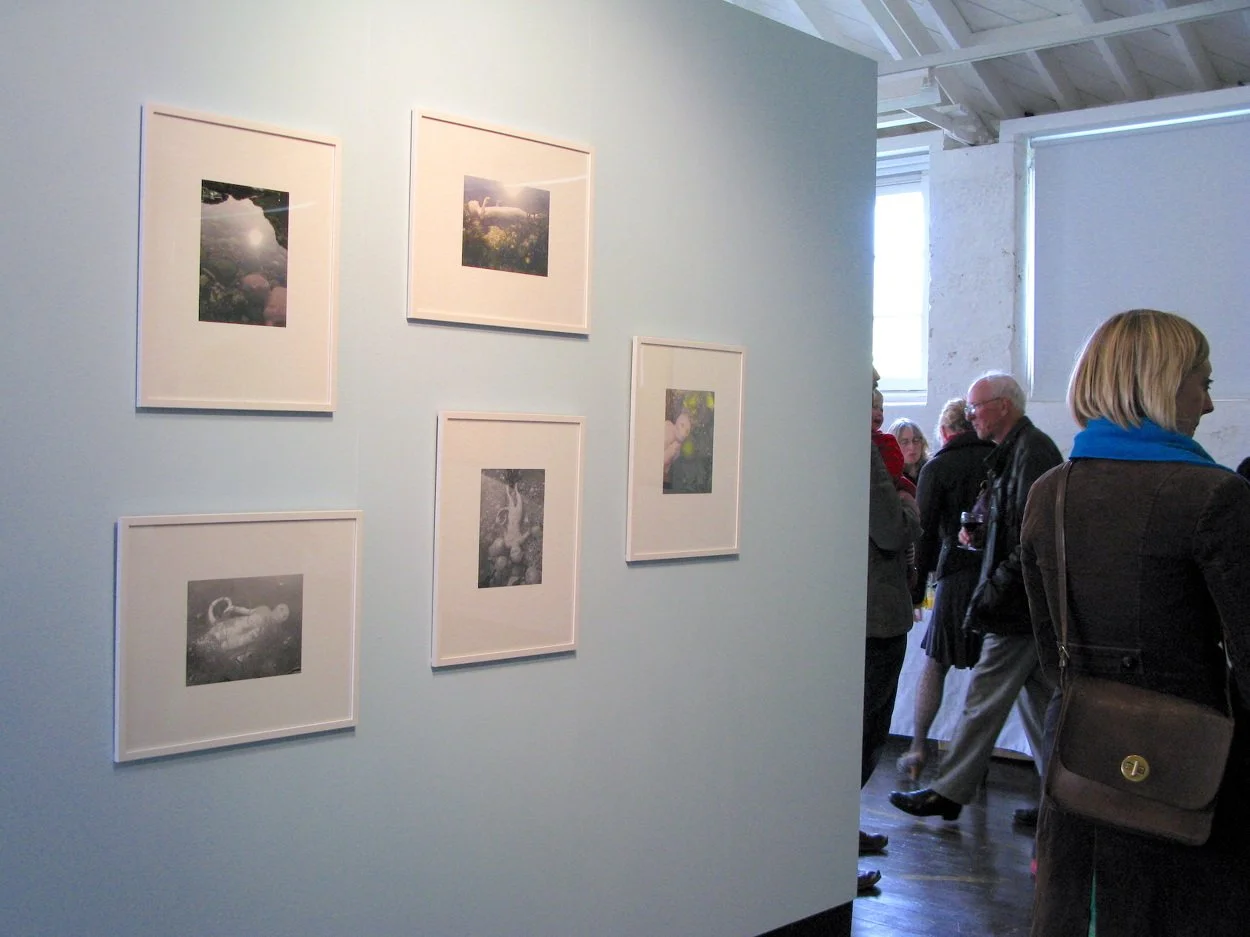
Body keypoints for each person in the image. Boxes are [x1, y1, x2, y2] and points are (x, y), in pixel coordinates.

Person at [1020, 309, 1250, 937]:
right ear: (1158, 382)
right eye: (1200, 382)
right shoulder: (1213, 496)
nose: (1207, 403)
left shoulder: (1051, 492)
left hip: (1081, 762)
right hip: (1194, 770)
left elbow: (1050, 648)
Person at [888, 372, 1060, 826]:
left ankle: (949, 790)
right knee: (1041, 706)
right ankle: (1062, 803)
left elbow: (1033, 535)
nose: (971, 416)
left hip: (1017, 602)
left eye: (977, 407)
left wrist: (997, 586)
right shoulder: (1015, 452)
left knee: (983, 695)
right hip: (1021, 599)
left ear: (1004, 406)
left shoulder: (1031, 451)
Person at [895, 398, 995, 780]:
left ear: (943, 431)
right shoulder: (999, 460)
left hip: (955, 575)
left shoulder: (939, 467)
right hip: (995, 575)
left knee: (936, 664)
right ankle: (976, 760)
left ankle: (919, 747)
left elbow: (923, 535)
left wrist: (916, 591)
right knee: (989, 670)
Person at [860, 384, 923, 893]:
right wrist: (908, 500)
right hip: (874, 615)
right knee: (861, 736)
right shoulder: (868, 453)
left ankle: (836, 834)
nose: (878, 400)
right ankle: (829, 847)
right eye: (869, 388)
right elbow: (892, 531)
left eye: (881, 390)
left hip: (854, 614)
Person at [889, 418, 930, 487]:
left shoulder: (930, 470)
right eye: (904, 442)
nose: (912, 447)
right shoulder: (889, 477)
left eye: (916, 440)